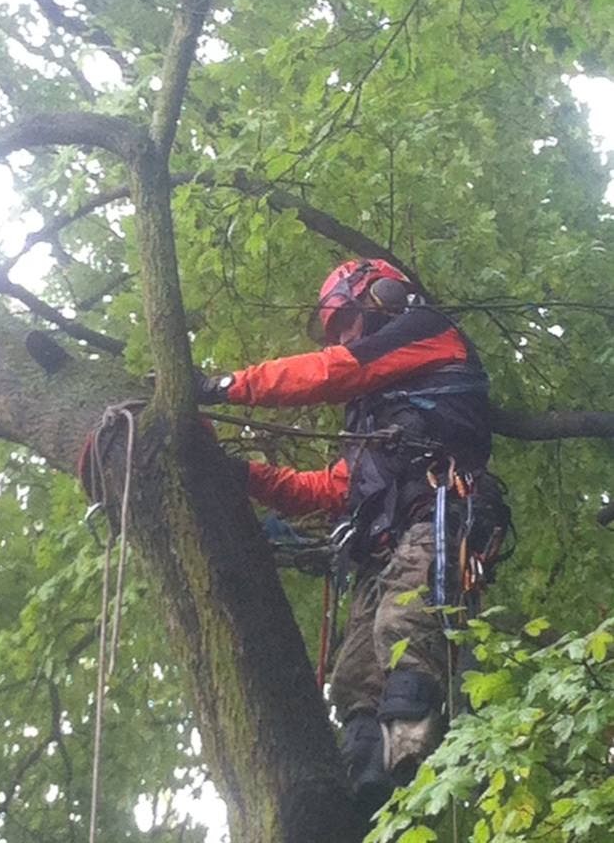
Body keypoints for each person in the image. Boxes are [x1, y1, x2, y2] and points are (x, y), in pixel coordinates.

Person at [194, 258, 509, 815]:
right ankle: (364, 786)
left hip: (439, 512)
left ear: (381, 295)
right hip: (381, 543)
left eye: (346, 320)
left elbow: (332, 370)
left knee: (405, 630)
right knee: (354, 676)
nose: (345, 335)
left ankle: (411, 755)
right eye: (336, 329)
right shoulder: (377, 411)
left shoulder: (426, 331)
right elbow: (336, 487)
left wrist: (226, 387)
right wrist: (243, 475)